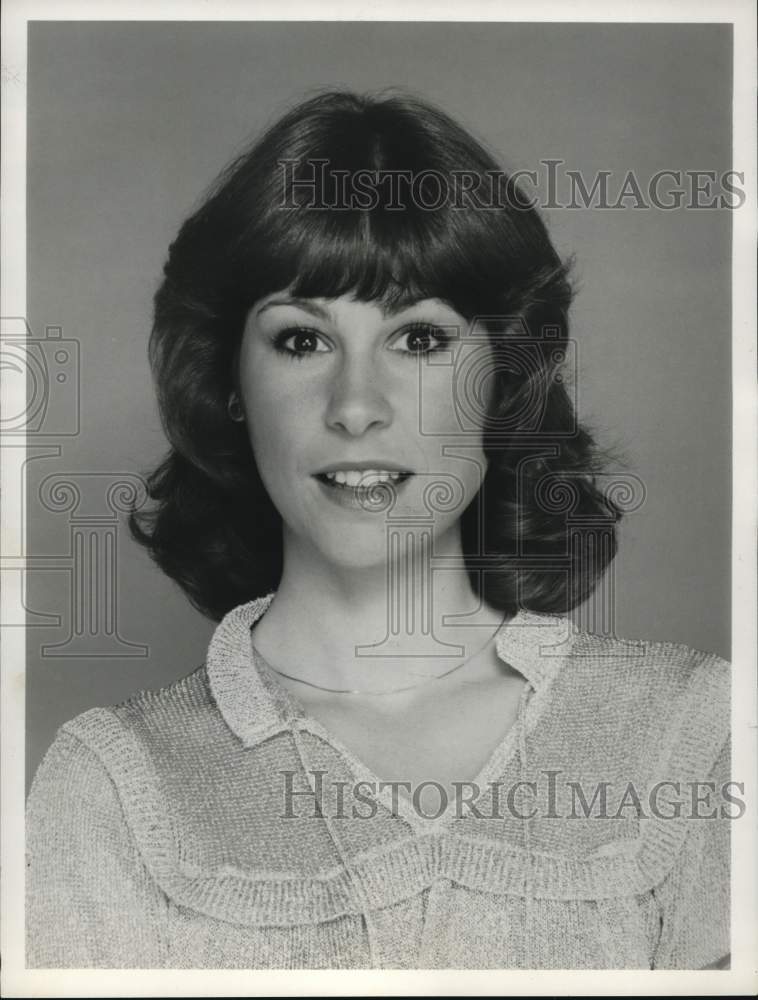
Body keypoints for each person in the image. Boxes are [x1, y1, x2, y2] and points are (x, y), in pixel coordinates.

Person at [25, 89, 731, 970]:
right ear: (230, 384)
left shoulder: (697, 737)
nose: (356, 407)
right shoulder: (115, 789)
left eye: (421, 341)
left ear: (505, 380)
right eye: (301, 342)